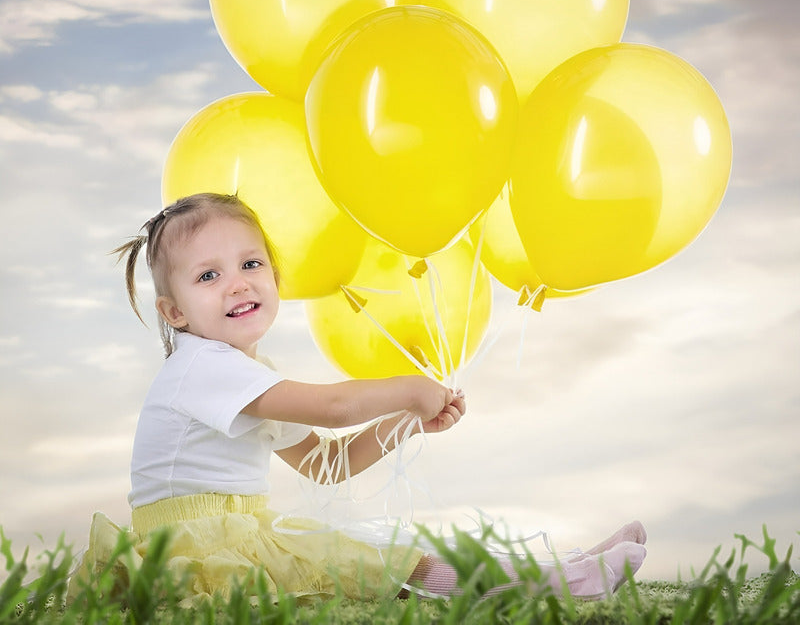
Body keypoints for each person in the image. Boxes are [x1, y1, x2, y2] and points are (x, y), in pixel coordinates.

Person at [69, 192, 646, 606]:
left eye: (250, 264)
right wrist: (409, 388)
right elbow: (335, 409)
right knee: (387, 565)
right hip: (196, 546)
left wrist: (406, 423)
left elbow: (329, 462)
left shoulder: (247, 376)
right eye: (208, 276)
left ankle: (566, 566)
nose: (238, 282)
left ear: (275, 276)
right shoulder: (203, 367)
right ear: (174, 313)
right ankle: (564, 582)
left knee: (389, 557)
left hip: (239, 530)